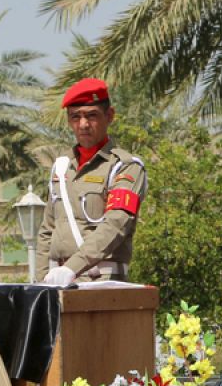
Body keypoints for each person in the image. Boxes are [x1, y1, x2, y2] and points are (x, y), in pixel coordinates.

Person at [35, 78, 147, 286]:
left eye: (91, 115)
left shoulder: (124, 167)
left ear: (109, 116)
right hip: (57, 282)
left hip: (101, 281)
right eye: (75, 117)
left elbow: (116, 224)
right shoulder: (61, 168)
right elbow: (47, 230)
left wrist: (72, 267)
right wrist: (41, 282)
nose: (83, 124)